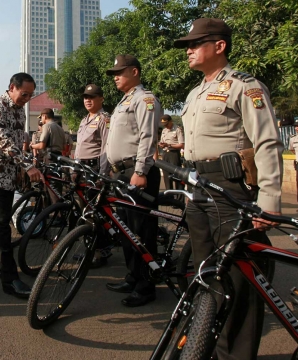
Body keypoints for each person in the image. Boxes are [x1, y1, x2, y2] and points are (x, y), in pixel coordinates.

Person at [174, 18, 283, 359]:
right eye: (188, 45)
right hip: (198, 185)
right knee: (207, 270)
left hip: (227, 187)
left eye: (196, 43)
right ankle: (208, 341)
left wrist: (269, 199)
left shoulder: (244, 86)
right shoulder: (194, 93)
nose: (189, 50)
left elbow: (267, 142)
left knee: (238, 275)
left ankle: (235, 354)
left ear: (219, 46)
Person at [0, 72, 42, 298]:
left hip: (9, 175)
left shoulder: (18, 109)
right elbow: (2, 141)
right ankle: (10, 280)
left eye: (30, 95)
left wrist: (24, 167)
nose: (26, 98)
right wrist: (28, 165)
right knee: (2, 226)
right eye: (24, 94)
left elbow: (20, 141)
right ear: (12, 87)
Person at [104, 54, 162, 307]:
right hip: (120, 173)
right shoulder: (122, 103)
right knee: (126, 228)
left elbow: (148, 137)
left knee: (141, 231)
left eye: (120, 71)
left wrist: (140, 171)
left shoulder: (145, 99)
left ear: (135, 72)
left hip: (136, 173)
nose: (115, 76)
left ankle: (146, 285)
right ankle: (133, 276)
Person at [74, 83, 111, 268]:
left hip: (95, 170)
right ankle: (90, 248)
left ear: (101, 99)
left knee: (96, 214)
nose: (88, 100)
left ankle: (100, 252)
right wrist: (75, 169)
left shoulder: (104, 119)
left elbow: (106, 149)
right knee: (85, 213)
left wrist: (102, 176)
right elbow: (79, 148)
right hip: (82, 170)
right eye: (86, 97)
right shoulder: (84, 120)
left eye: (92, 97)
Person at [158, 114, 184, 190]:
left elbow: (182, 145)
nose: (165, 126)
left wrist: (169, 145)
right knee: (166, 176)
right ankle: (169, 196)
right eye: (164, 124)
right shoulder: (164, 130)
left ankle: (179, 197)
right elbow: (162, 141)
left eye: (166, 124)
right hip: (165, 153)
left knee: (177, 176)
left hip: (174, 154)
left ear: (170, 121)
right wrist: (161, 144)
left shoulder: (177, 129)